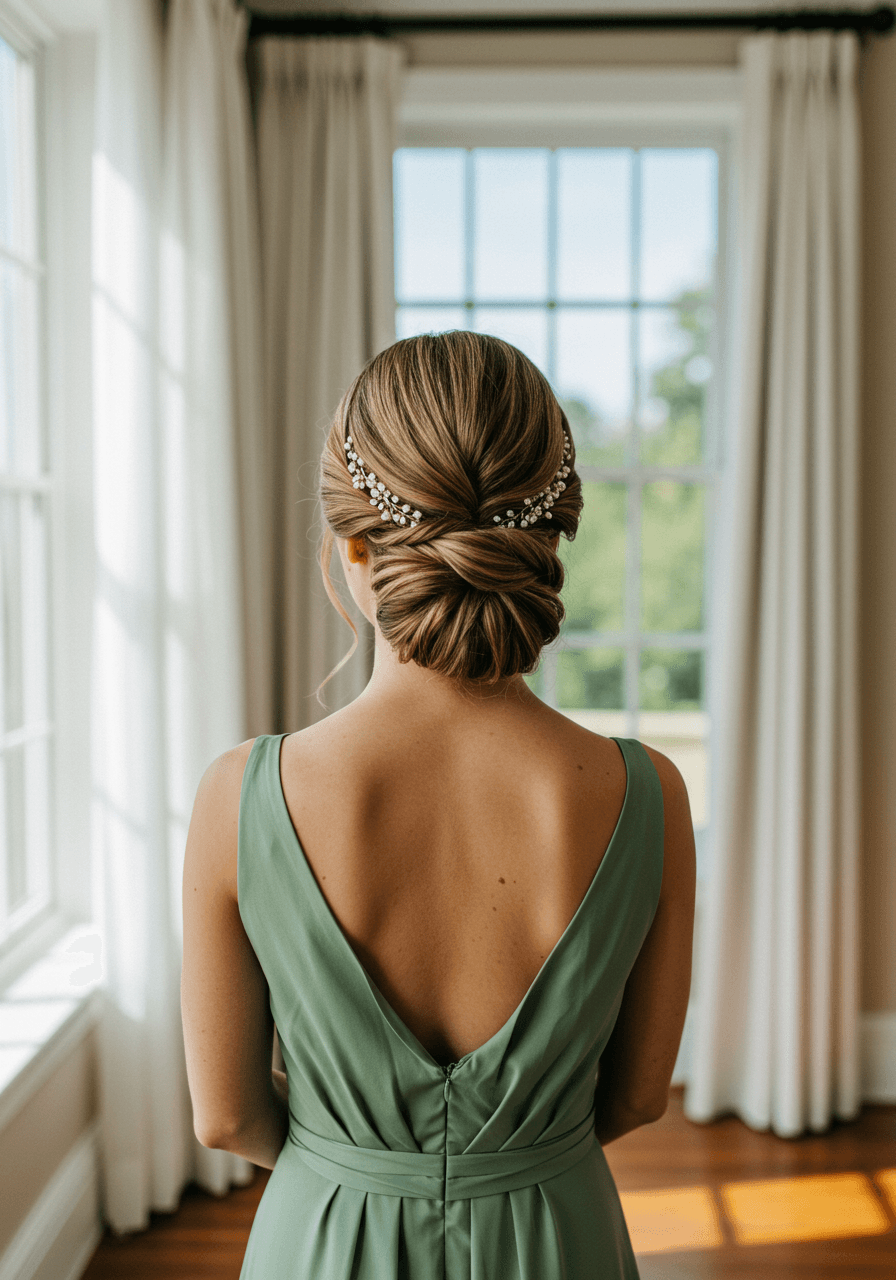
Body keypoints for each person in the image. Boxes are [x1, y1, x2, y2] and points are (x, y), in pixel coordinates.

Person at [181, 331, 697, 1279]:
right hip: (559, 1237)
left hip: (324, 1237)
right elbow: (637, 1099)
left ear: (352, 548)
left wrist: (359, 1169)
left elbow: (225, 1116)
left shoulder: (241, 796)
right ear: (545, 542)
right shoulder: (647, 793)